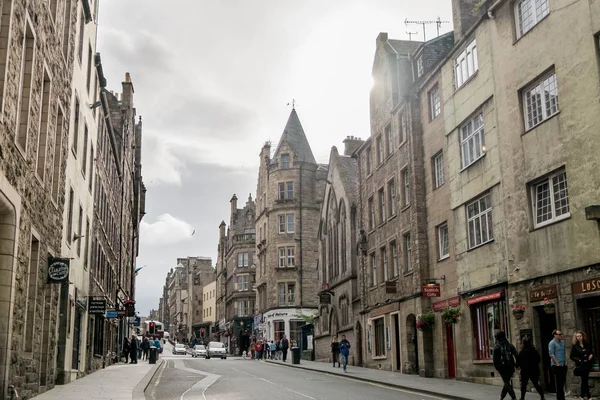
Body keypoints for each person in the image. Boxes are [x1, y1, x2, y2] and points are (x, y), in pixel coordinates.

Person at [493, 331, 519, 400]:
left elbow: (495, 359)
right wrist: (516, 365)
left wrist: (497, 367)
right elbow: (516, 355)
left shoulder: (496, 347)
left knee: (506, 382)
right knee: (507, 381)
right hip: (510, 366)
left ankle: (513, 397)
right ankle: (502, 396)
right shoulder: (510, 345)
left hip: (502, 367)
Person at [570, 331, 594, 400]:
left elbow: (591, 352)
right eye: (578, 336)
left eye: (580, 336)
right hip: (581, 365)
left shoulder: (587, 344)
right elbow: (571, 356)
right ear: (576, 337)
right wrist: (579, 360)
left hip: (587, 364)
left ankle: (582, 396)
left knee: (584, 380)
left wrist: (591, 355)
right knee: (584, 380)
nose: (579, 337)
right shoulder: (575, 346)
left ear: (583, 336)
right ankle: (588, 396)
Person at [548, 329, 567, 400]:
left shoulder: (562, 342)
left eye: (561, 334)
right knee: (559, 383)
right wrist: (557, 363)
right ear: (555, 335)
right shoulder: (552, 343)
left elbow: (564, 352)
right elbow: (551, 354)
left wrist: (565, 362)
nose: (561, 335)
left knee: (562, 382)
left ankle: (562, 397)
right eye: (559, 334)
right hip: (556, 366)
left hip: (563, 365)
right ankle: (560, 398)